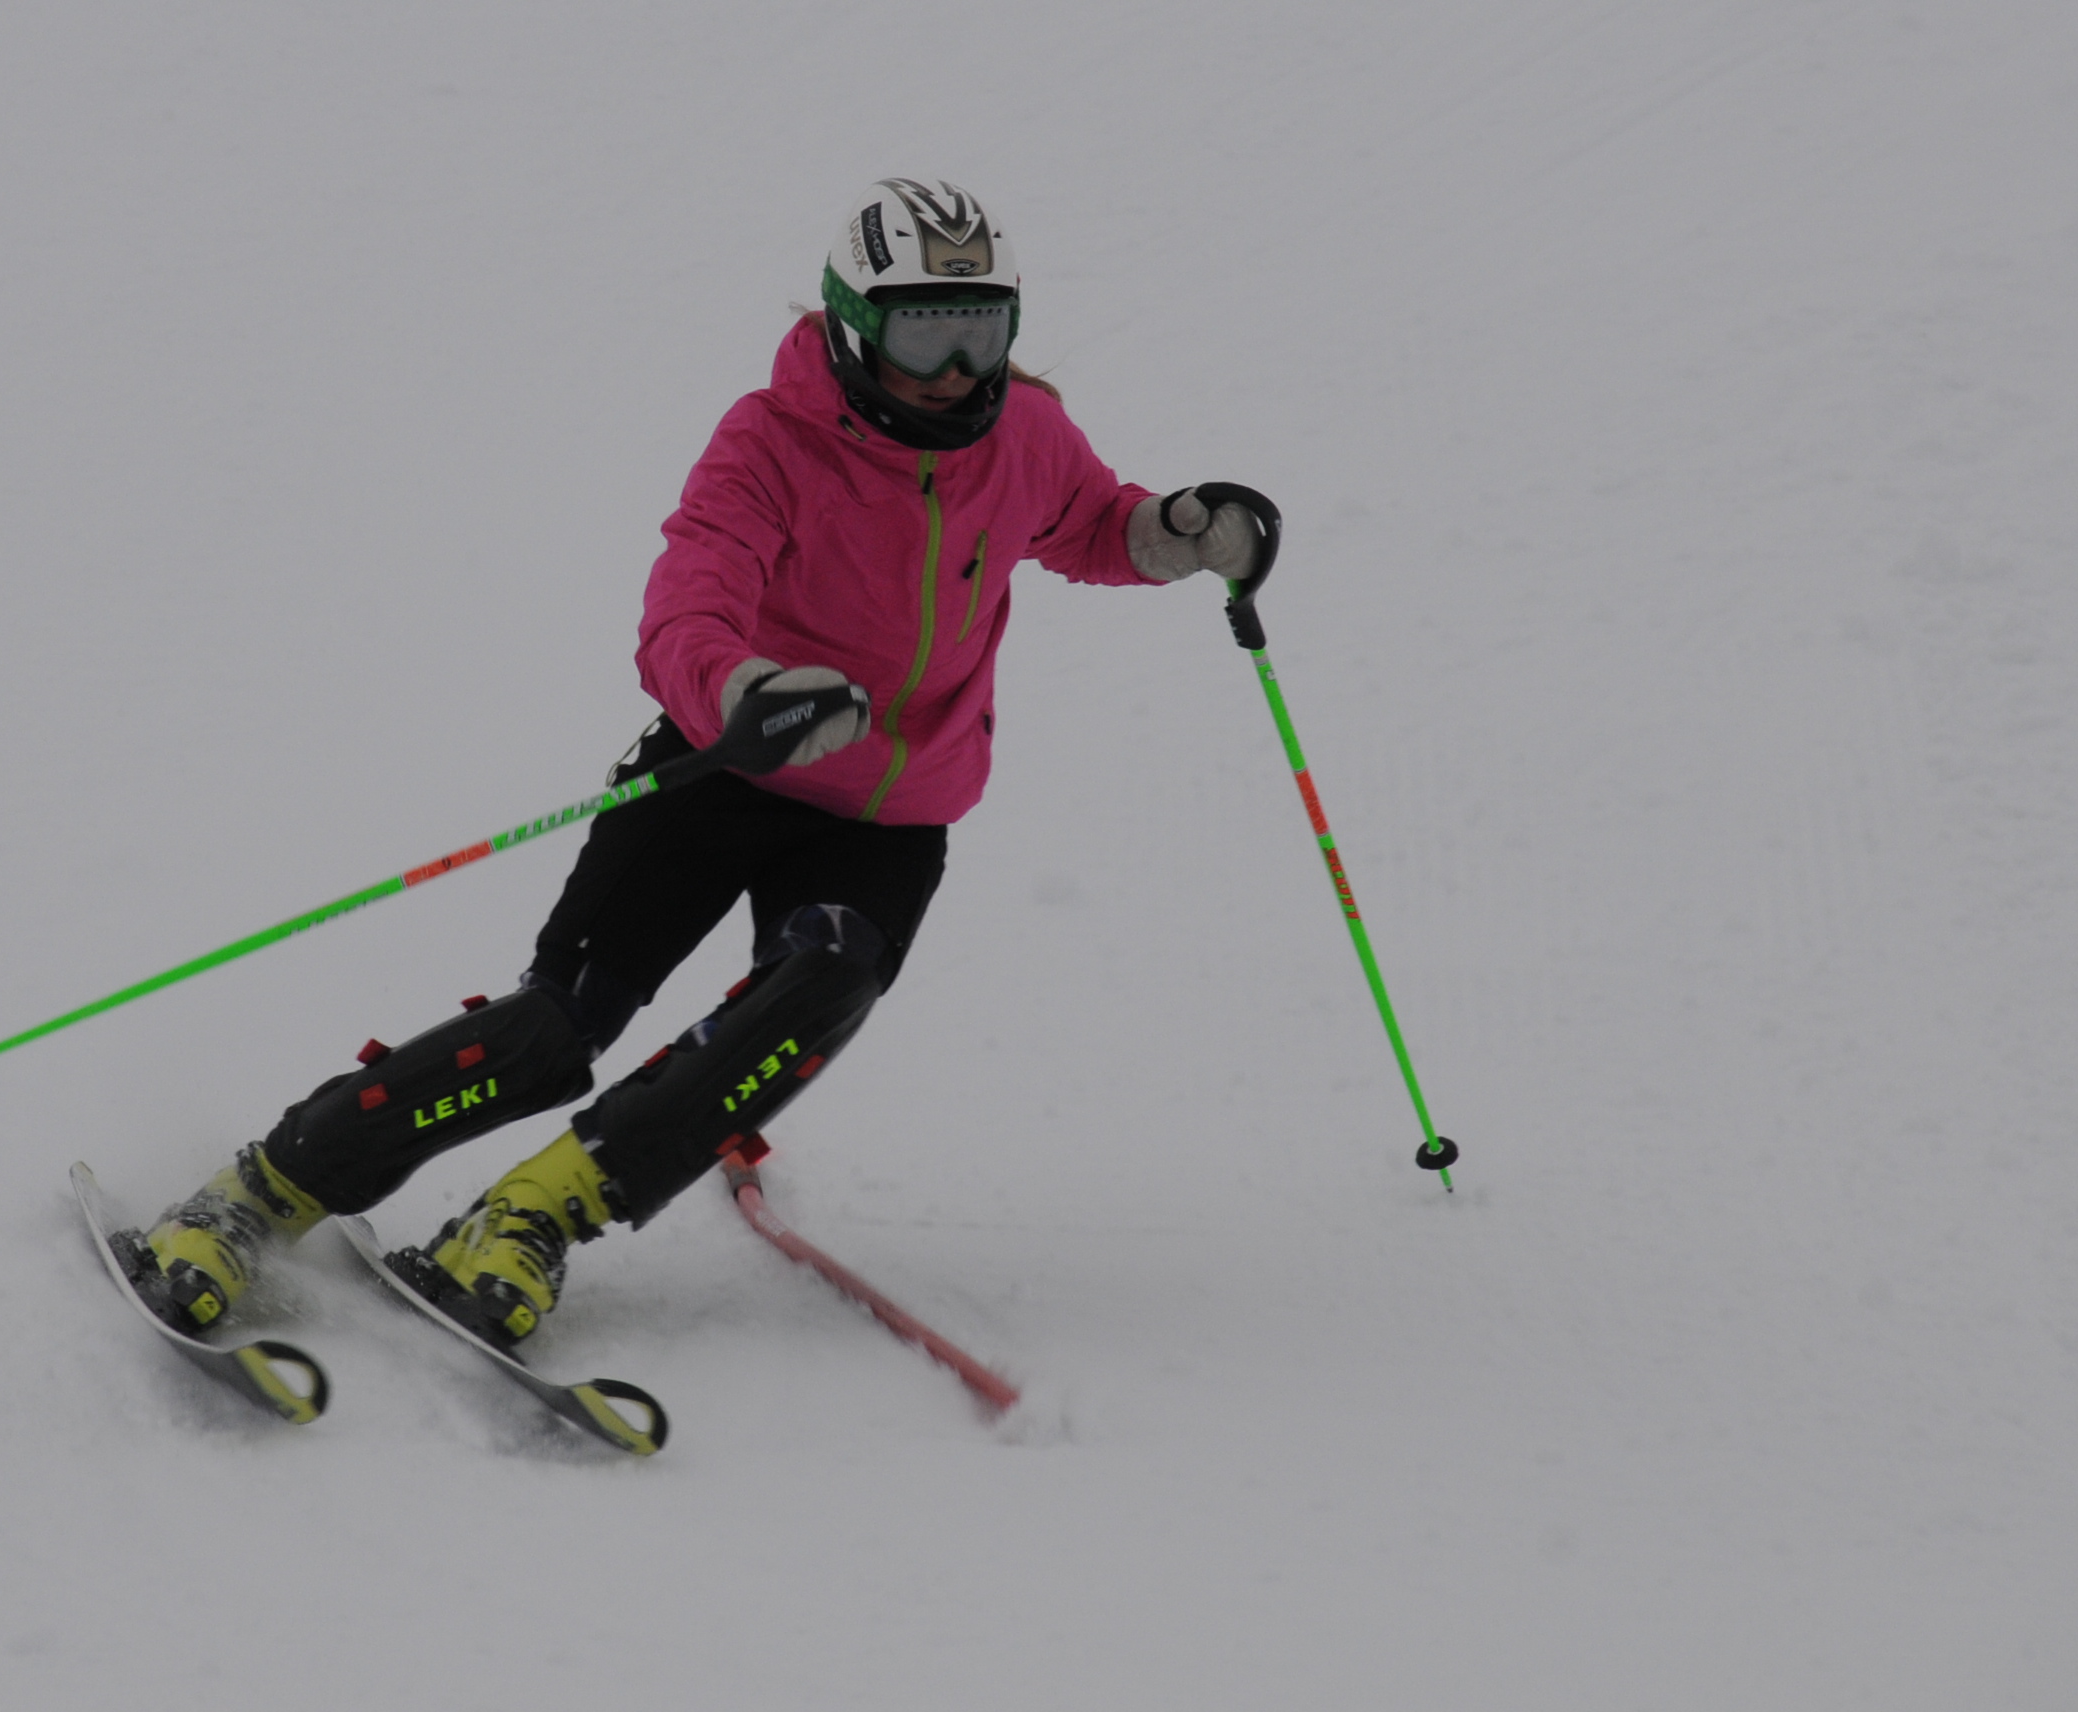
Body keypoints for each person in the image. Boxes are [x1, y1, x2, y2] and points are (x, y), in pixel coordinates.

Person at [108, 178, 1271, 1348]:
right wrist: (742, 692)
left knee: (818, 991)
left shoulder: (1026, 434)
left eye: (983, 330)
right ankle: (258, 1193)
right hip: (726, 771)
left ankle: (532, 1215)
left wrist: (1174, 534)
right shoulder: (772, 439)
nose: (959, 369)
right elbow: (689, 599)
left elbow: (1087, 522)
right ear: (854, 324)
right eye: (926, 335)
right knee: (557, 1032)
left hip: (889, 814)